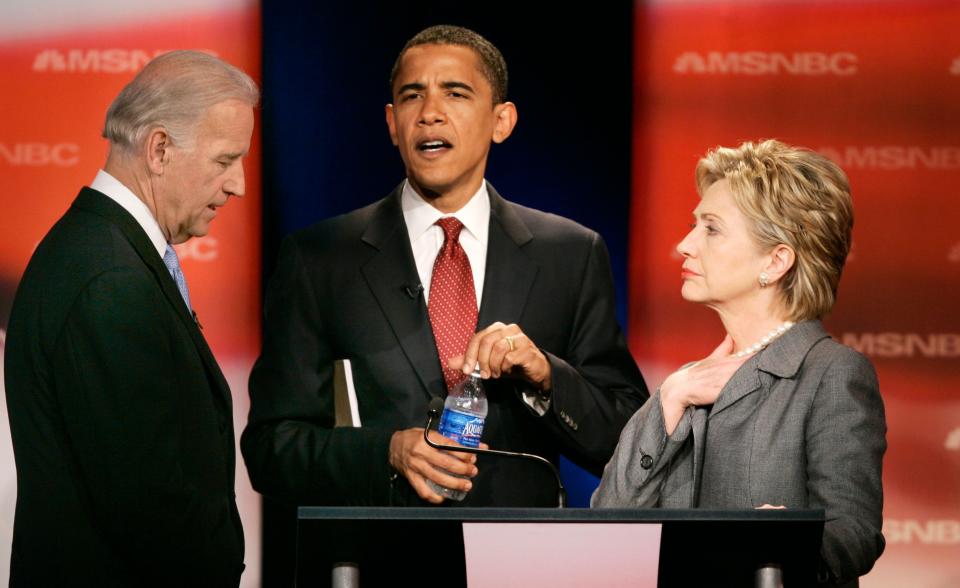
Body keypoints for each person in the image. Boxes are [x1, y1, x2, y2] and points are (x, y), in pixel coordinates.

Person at [242, 24, 648, 511]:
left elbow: (628, 442)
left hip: (517, 563)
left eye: (455, 94)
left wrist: (546, 377)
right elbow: (270, 449)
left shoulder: (570, 254)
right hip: (377, 562)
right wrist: (386, 452)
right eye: (412, 97)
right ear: (392, 123)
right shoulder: (320, 258)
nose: (430, 114)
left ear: (502, 120)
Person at [4, 50, 258, 587]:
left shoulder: (102, 251)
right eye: (223, 160)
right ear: (159, 148)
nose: (238, 184)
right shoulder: (109, 278)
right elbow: (147, 505)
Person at [592, 140, 886, 585]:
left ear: (776, 260)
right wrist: (670, 398)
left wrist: (781, 537)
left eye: (711, 229)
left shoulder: (831, 372)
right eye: (695, 225)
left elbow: (854, 533)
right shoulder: (686, 384)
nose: (684, 245)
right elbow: (608, 525)